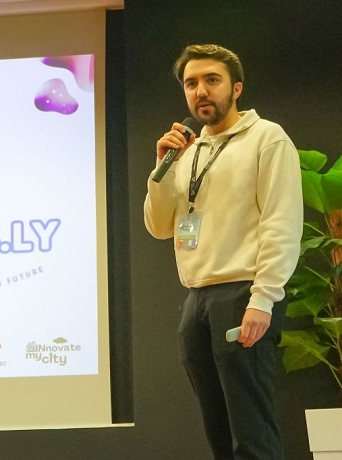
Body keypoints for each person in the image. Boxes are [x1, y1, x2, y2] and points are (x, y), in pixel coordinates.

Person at [143, 44, 303, 459]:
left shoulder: (267, 138)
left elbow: (282, 223)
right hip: (196, 299)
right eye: (191, 83)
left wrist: (263, 299)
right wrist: (162, 169)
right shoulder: (187, 151)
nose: (200, 91)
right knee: (219, 433)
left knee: (251, 433)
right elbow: (159, 227)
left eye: (211, 80)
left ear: (236, 88)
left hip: (243, 294)